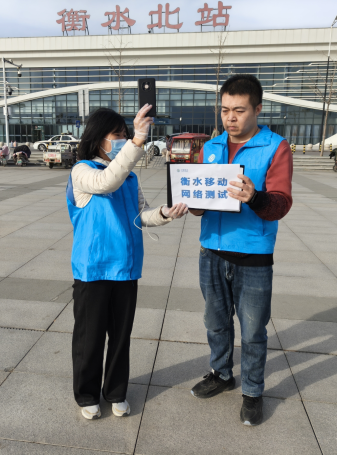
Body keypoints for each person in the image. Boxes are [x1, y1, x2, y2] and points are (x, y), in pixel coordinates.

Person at [67, 105, 188, 421]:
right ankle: (87, 394)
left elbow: (140, 215)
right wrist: (136, 142)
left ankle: (116, 392)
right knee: (90, 337)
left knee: (120, 337)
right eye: (117, 134)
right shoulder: (82, 171)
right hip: (93, 269)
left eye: (125, 134)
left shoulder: (130, 177)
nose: (122, 139)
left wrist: (163, 214)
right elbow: (106, 182)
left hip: (125, 268)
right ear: (98, 138)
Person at [189, 75, 293, 426]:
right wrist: (190, 202)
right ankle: (221, 373)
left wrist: (255, 197)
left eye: (239, 110)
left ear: (257, 109)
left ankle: (252, 391)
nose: (230, 118)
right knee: (215, 323)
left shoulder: (275, 147)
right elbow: (200, 201)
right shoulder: (211, 147)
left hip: (253, 256)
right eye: (224, 110)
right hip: (211, 251)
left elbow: (280, 204)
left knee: (253, 331)